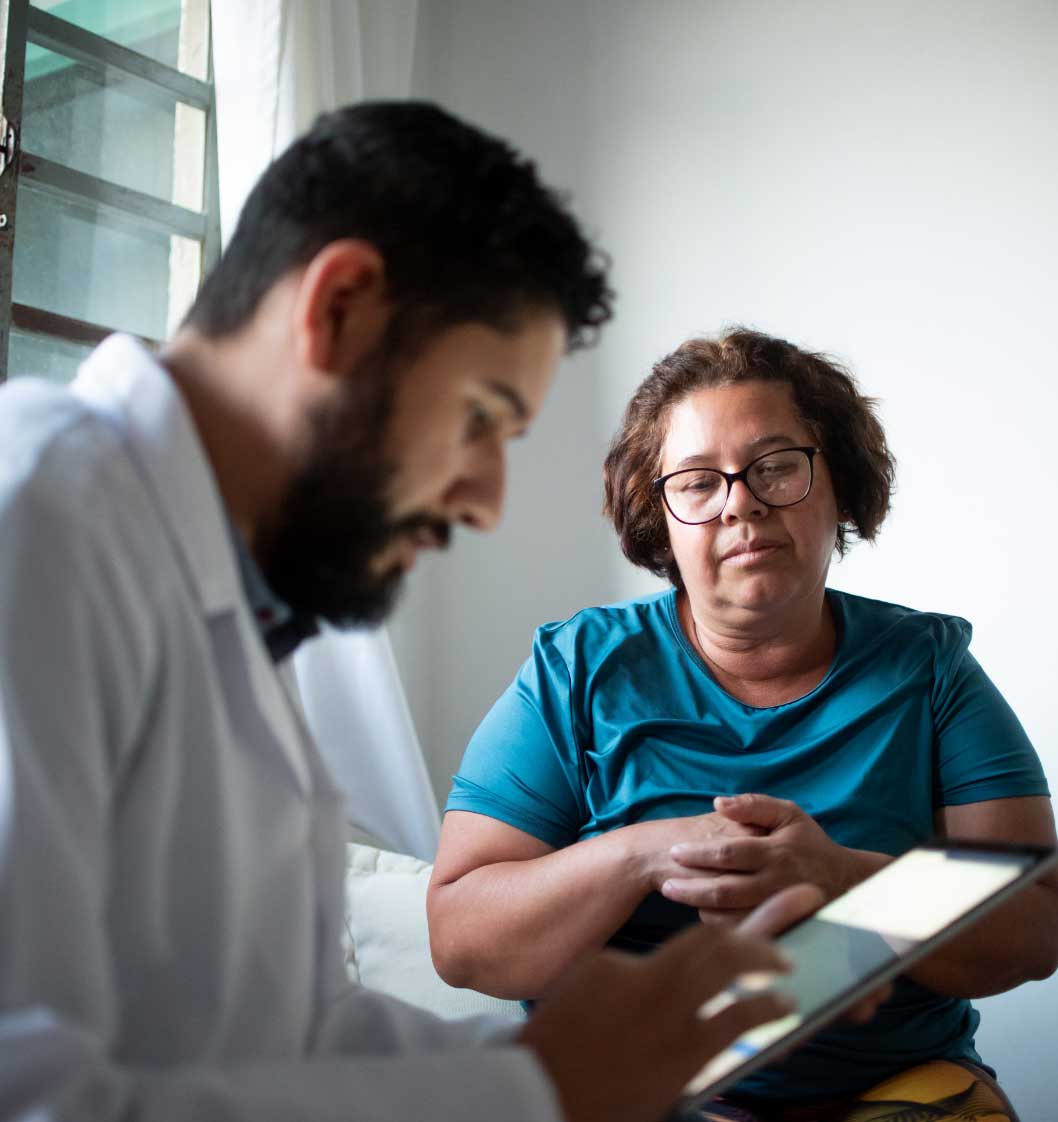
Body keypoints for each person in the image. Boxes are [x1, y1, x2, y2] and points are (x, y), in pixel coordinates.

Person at [0, 105, 817, 1122]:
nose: (484, 501)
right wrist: (536, 1088)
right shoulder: (33, 520)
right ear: (339, 307)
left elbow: (286, 1043)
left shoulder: (223, 608)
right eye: (479, 417)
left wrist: (602, 1058)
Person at [428, 329, 1058, 1122]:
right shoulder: (577, 670)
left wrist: (844, 880)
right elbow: (459, 939)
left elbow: (1037, 924)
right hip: (636, 1095)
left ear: (838, 487)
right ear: (659, 517)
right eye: (698, 481)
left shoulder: (928, 670)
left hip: (892, 1090)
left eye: (776, 466)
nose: (742, 501)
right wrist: (647, 853)